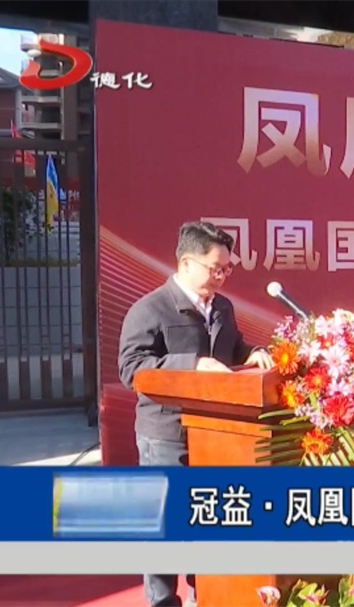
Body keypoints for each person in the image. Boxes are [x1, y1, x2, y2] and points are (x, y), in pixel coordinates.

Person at [118, 221, 273, 607]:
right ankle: (163, 600)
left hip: (217, 434)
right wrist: (192, 364)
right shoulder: (150, 309)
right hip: (166, 431)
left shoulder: (223, 307)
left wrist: (252, 353)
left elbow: (231, 348)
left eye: (227, 269)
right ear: (186, 262)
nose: (221, 276)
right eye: (215, 268)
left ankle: (204, 595)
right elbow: (131, 368)